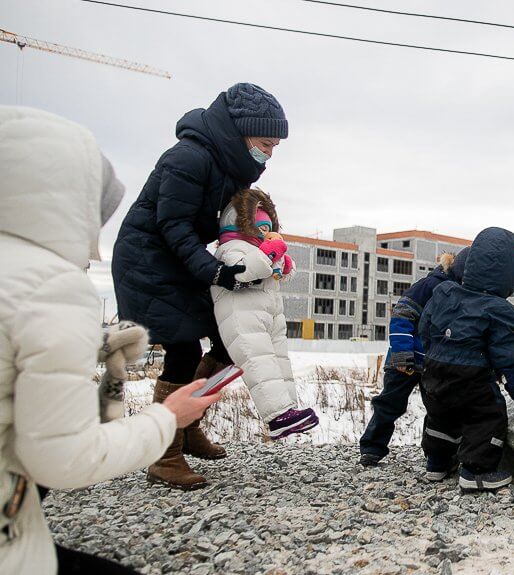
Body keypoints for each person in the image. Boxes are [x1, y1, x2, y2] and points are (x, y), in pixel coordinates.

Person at [0, 106, 223, 574]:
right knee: (186, 351)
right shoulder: (48, 288)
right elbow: (62, 458)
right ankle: (170, 450)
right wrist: (165, 418)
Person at [112, 83, 288, 489]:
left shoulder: (229, 168)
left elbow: (231, 227)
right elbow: (171, 225)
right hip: (150, 260)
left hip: (187, 261)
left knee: (228, 342)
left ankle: (189, 426)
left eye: (275, 146)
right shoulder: (188, 158)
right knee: (183, 349)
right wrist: (214, 272)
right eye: (266, 143)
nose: (269, 153)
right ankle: (163, 453)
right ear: (240, 133)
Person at [419, 228, 514, 491]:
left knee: (440, 413)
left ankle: (437, 463)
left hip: (433, 369)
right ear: (510, 277)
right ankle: (476, 471)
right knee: (486, 416)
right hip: (471, 378)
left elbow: (424, 329)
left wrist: (433, 356)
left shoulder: (444, 291)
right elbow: (507, 357)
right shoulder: (499, 309)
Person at [212, 188, 319, 438]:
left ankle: (289, 409)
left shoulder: (256, 248)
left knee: (278, 360)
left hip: (268, 315)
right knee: (259, 363)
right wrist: (271, 252)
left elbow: (272, 268)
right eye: (260, 228)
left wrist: (282, 261)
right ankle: (276, 414)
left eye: (268, 228)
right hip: (243, 317)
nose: (264, 233)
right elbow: (245, 270)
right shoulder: (231, 248)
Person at [358, 248, 469, 467]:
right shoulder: (430, 286)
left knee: (438, 408)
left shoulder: (463, 294)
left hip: (433, 363)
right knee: (390, 403)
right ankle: (371, 447)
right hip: (405, 360)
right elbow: (402, 314)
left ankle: (436, 453)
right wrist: (402, 353)